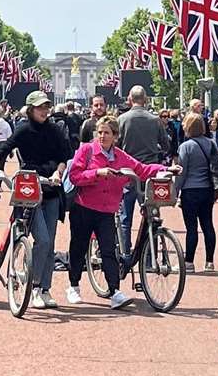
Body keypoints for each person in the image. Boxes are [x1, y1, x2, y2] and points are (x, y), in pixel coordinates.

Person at [65, 116, 167, 309]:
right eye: (100, 132)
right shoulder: (87, 150)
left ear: (115, 136)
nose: (102, 136)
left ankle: (114, 291)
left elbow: (142, 169)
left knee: (109, 250)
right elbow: (75, 176)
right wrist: (96, 173)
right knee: (78, 247)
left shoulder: (120, 157)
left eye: (107, 133)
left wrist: (165, 168)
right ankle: (74, 285)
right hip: (84, 207)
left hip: (107, 210)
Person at [0, 90, 68, 308]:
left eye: (46, 107)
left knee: (49, 245)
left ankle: (44, 290)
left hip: (51, 189)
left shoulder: (55, 130)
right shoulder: (22, 130)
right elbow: (3, 149)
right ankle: (36, 285)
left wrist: (58, 173)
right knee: (43, 240)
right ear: (30, 109)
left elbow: (63, 157)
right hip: (29, 189)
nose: (45, 111)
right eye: (40, 108)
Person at [117, 86, 169, 248]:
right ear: (145, 100)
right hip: (149, 172)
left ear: (130, 99)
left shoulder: (122, 120)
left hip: (128, 173)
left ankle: (126, 253)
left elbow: (116, 146)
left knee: (126, 217)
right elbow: (166, 145)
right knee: (151, 216)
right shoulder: (155, 120)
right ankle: (148, 256)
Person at [174, 112, 218, 273]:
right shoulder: (211, 143)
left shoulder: (185, 147)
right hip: (207, 190)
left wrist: (175, 191)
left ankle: (189, 262)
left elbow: (182, 172)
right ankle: (209, 262)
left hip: (190, 191)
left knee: (191, 228)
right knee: (208, 224)